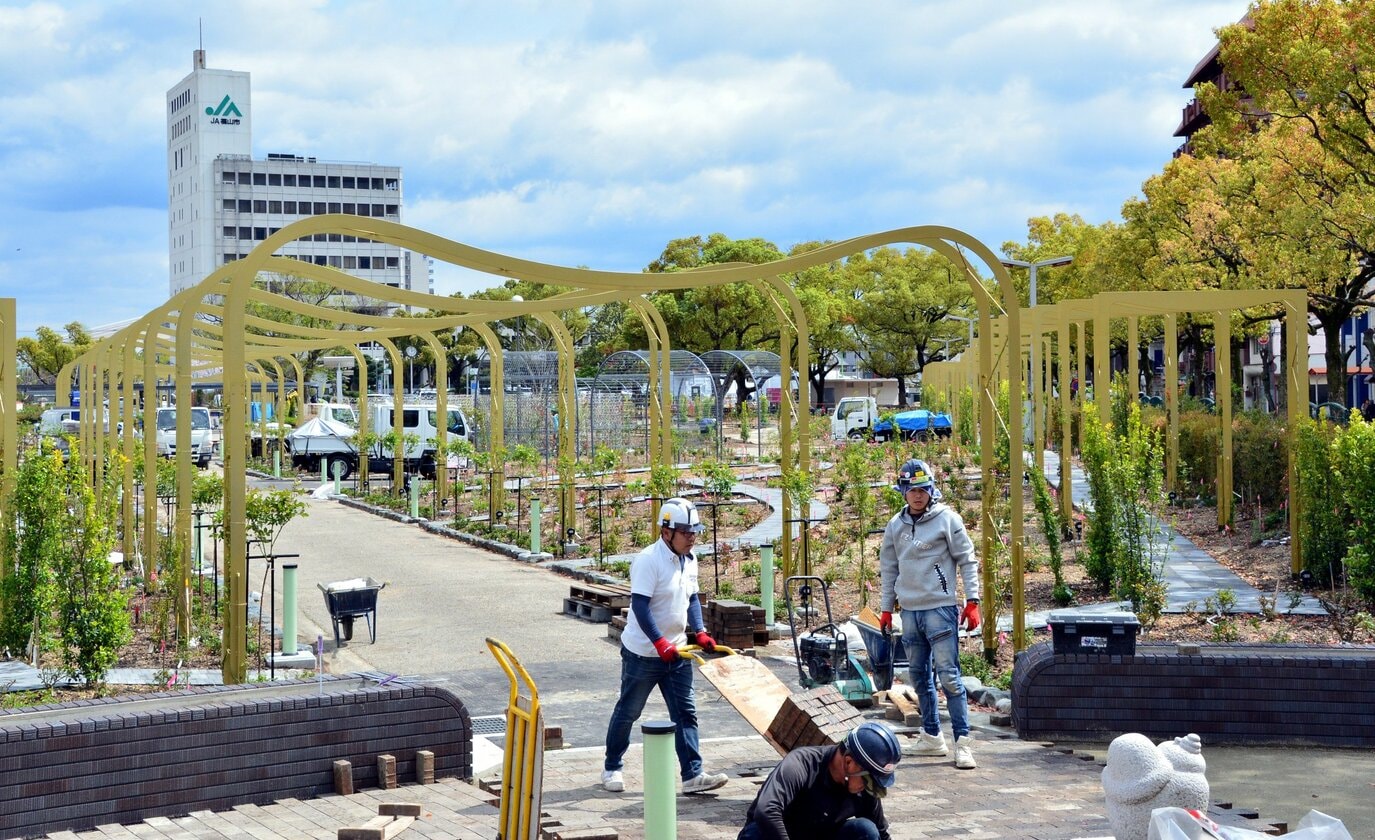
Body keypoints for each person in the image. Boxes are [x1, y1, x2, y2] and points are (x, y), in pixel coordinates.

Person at [601, 497, 729, 795]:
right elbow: (641, 607)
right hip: (643, 654)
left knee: (685, 713)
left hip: (678, 653)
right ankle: (612, 767)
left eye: (695, 532)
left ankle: (692, 775)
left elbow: (692, 598)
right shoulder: (648, 560)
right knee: (629, 711)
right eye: (687, 532)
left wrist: (700, 631)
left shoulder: (690, 560)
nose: (692, 538)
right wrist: (658, 642)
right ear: (667, 532)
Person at [878, 458, 981, 770]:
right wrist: (886, 607)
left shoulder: (947, 520)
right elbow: (888, 568)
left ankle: (962, 743)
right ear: (904, 492)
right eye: (912, 490)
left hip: (940, 609)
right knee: (919, 676)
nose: (918, 495)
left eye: (923, 489)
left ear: (932, 490)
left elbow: (967, 558)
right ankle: (932, 737)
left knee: (949, 676)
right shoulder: (895, 527)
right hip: (910, 612)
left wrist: (972, 599)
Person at [737, 721, 901, 840]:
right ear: (849, 763)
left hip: (820, 834)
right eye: (869, 780)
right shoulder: (801, 764)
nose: (868, 789)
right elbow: (767, 811)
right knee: (756, 835)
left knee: (865, 831)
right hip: (779, 834)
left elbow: (881, 834)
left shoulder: (863, 786)